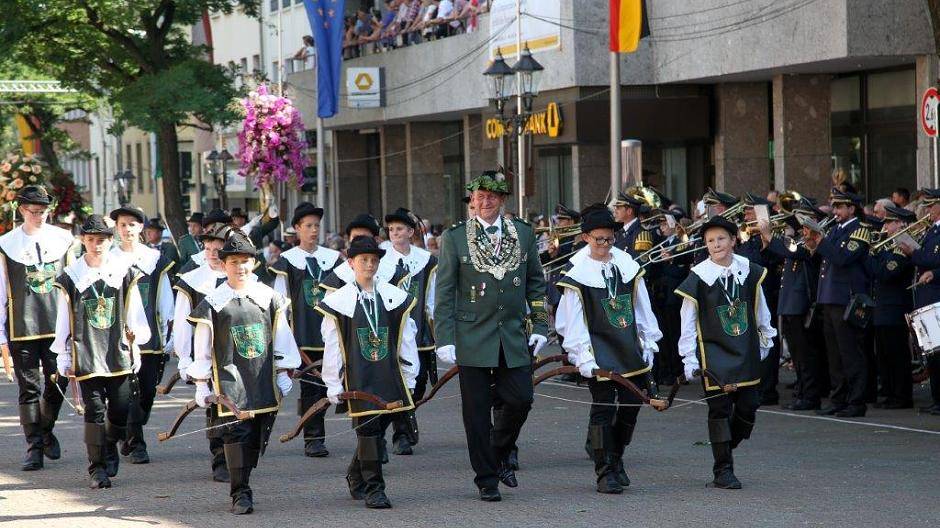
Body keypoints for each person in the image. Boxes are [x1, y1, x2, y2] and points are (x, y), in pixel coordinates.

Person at [435, 170, 549, 502]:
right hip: (471, 336)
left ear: (502, 200)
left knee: (520, 398)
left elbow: (536, 285)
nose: (486, 202)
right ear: (471, 201)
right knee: (476, 412)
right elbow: (443, 293)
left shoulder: (524, 234)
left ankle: (498, 454)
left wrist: (540, 326)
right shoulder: (456, 237)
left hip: (512, 335)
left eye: (492, 197)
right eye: (479, 197)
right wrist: (444, 337)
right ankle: (486, 478)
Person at [187, 232, 300, 514]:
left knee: (254, 438)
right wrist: (202, 382)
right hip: (229, 380)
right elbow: (202, 346)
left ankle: (243, 476)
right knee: (236, 434)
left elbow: (282, 335)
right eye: (234, 261)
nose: (240, 267)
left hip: (261, 378)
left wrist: (284, 370)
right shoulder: (213, 302)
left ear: (253, 263)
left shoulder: (269, 297)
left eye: (245, 261)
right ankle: (240, 493)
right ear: (225, 265)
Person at [555, 204, 662, 494]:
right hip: (596, 348)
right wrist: (582, 355)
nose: (605, 245)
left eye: (610, 239)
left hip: (628, 347)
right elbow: (570, 320)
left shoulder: (626, 264)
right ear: (587, 237)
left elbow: (641, 306)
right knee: (603, 409)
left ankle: (616, 458)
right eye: (599, 239)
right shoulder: (578, 272)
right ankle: (604, 471)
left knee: (630, 409)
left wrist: (648, 339)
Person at [675, 215, 776, 490]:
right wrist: (689, 358)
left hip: (745, 350)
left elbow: (761, 308)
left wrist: (766, 337)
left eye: (721, 239)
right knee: (719, 410)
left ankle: (725, 446)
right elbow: (688, 322)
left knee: (748, 408)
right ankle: (723, 469)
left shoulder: (750, 271)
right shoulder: (698, 278)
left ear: (733, 241)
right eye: (710, 241)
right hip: (713, 353)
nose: (716, 244)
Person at [51, 214, 151, 489]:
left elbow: (134, 312)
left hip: (116, 350)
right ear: (83, 241)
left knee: (120, 409)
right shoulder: (71, 278)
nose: (96, 245)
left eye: (102, 240)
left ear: (110, 241)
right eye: (91, 240)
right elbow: (63, 317)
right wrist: (63, 352)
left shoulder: (124, 272)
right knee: (94, 410)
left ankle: (108, 446)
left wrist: (137, 346)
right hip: (86, 351)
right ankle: (96, 467)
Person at [319, 236, 419, 509]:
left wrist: (410, 374)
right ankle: (375, 488)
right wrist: (332, 382)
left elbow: (406, 336)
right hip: (359, 375)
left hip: (388, 373)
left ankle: (355, 472)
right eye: (363, 259)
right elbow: (333, 343)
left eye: (374, 260)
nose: (370, 264)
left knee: (376, 426)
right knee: (369, 430)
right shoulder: (339, 300)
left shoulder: (393, 296)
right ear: (351, 263)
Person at [0, 185, 74, 471]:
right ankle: (34, 446)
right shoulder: (7, 244)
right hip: (23, 324)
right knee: (28, 388)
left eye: (43, 211)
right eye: (33, 211)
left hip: (57, 324)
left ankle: (45, 428)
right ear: (22, 211)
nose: (39, 216)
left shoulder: (63, 240)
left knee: (58, 381)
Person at [269, 203, 343, 458]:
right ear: (297, 229)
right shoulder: (287, 261)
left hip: (330, 333)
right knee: (312, 386)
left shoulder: (332, 259)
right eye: (308, 226)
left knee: (328, 384)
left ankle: (314, 432)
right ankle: (314, 438)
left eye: (316, 226)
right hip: (303, 333)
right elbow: (279, 301)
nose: (313, 231)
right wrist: (284, 337)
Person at [109, 205, 176, 464]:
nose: (127, 229)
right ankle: (136, 442)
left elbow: (165, 297)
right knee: (128, 392)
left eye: (132, 225)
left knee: (147, 391)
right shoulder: (109, 258)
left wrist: (168, 331)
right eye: (123, 225)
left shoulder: (155, 259)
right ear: (117, 228)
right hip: (119, 339)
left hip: (150, 336)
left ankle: (128, 429)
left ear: (141, 228)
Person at [172, 224, 233, 482]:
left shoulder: (240, 277)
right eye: (207, 248)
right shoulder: (192, 281)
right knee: (215, 404)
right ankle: (220, 457)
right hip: (204, 352)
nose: (211, 253)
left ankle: (238, 453)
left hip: (234, 351)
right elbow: (182, 322)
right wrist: (184, 357)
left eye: (217, 249)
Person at [382, 207, 438, 456]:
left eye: (400, 229)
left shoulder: (426, 260)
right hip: (394, 331)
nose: (395, 233)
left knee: (419, 383)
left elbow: (432, 296)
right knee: (395, 382)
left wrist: (437, 327)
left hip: (420, 331)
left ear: (410, 232)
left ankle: (407, 417)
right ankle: (401, 433)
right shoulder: (381, 260)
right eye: (391, 229)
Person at [762, 199, 825, 411]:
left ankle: (810, 396)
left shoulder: (813, 240)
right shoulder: (798, 239)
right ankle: (802, 392)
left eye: (805, 220)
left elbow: (793, 252)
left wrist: (770, 236)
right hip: (789, 303)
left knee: (805, 354)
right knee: (797, 355)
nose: (801, 225)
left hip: (801, 305)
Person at [814, 188, 872, 418]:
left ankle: (857, 401)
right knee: (835, 354)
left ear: (851, 208)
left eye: (840, 207)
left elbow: (842, 257)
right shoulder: (836, 229)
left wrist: (821, 239)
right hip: (830, 298)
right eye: (834, 207)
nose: (836, 211)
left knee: (850, 353)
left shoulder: (860, 230)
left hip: (846, 299)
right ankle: (838, 398)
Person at [869, 205, 915, 409]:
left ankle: (901, 395)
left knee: (897, 353)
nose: (885, 226)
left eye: (889, 222)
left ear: (900, 224)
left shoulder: (902, 247)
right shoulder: (887, 247)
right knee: (884, 352)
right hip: (882, 305)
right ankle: (888, 392)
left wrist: (871, 257)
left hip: (895, 306)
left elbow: (886, 272)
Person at [899, 189, 940, 415]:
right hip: (925, 298)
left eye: (932, 206)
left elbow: (933, 259)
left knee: (938, 353)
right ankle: (936, 398)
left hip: (935, 298)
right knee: (931, 354)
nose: (927, 210)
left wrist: (913, 253)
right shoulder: (931, 230)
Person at [612, 191, 653, 258]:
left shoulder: (642, 235)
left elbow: (641, 264)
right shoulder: (619, 232)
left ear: (629, 211)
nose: (615, 211)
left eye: (618, 208)